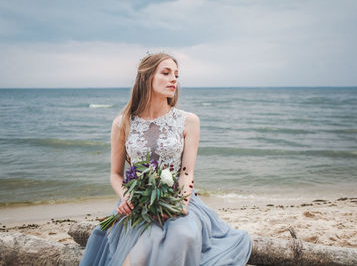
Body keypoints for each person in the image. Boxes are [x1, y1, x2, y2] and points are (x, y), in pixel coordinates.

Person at [79, 53, 252, 266]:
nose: (173, 80)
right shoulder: (121, 123)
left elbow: (187, 172)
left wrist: (179, 205)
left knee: (184, 235)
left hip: (179, 199)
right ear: (145, 78)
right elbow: (116, 174)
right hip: (136, 203)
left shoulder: (188, 121)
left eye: (176, 75)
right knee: (139, 248)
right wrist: (126, 196)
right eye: (166, 73)